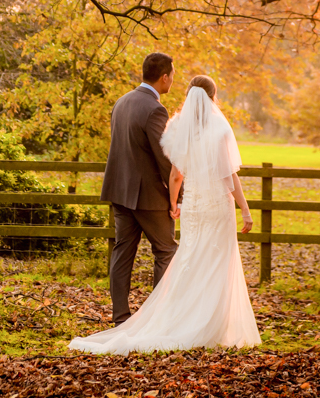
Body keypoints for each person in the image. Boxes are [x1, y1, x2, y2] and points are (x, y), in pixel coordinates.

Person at [70, 75, 261, 354]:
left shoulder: (177, 127)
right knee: (218, 260)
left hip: (194, 206)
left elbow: (175, 175)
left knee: (190, 259)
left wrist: (175, 203)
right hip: (216, 205)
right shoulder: (220, 129)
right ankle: (214, 324)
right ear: (212, 97)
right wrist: (244, 208)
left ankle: (179, 317)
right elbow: (229, 176)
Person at [98, 52, 179, 325]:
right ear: (164, 77)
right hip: (148, 197)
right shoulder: (156, 109)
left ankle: (120, 316)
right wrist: (177, 194)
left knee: (122, 252)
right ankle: (159, 318)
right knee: (166, 251)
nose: (173, 80)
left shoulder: (121, 102)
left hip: (119, 191)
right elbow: (164, 156)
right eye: (173, 75)